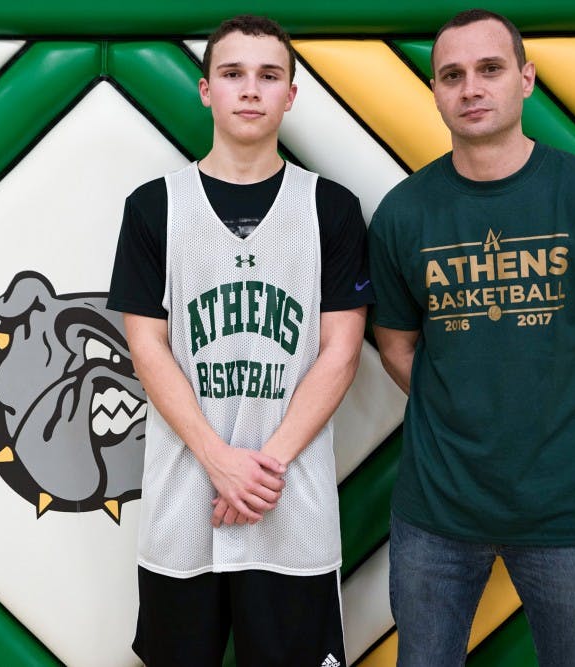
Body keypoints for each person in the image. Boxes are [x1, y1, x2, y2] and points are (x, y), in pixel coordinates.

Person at [368, 8, 575, 667]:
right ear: (435, 92)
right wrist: (458, 415)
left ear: (526, 79)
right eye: (451, 75)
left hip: (569, 513)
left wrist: (565, 429)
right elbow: (397, 346)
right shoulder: (404, 211)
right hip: (436, 512)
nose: (471, 88)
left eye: (489, 69)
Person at [107, 14, 372, 667]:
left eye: (268, 75)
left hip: (293, 515)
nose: (250, 89)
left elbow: (341, 351)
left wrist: (263, 467)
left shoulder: (330, 208)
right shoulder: (154, 207)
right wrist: (220, 460)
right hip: (183, 507)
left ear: (290, 94)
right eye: (232, 74)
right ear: (205, 90)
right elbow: (147, 348)